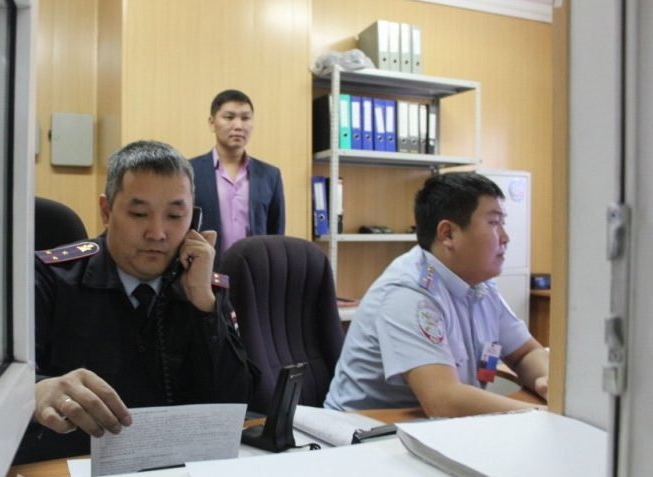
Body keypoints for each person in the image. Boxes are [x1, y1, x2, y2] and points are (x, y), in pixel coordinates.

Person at [14, 140, 253, 463]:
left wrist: (203, 306)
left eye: (175, 215)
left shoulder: (202, 284)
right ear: (107, 211)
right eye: (139, 214)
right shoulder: (49, 278)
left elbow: (237, 403)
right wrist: (37, 391)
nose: (157, 233)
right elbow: (1, 390)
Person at [324, 172, 549, 417]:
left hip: (434, 428)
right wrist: (542, 414)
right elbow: (443, 400)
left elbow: (526, 352)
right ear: (448, 234)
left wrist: (545, 379)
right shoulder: (409, 292)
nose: (505, 237)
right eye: (494, 223)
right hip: (363, 431)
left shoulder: (481, 287)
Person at [189, 89, 285, 265]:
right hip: (204, 272)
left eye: (246, 118)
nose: (239, 125)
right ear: (212, 123)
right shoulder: (189, 172)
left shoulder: (270, 176)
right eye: (229, 117)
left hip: (255, 272)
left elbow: (276, 235)